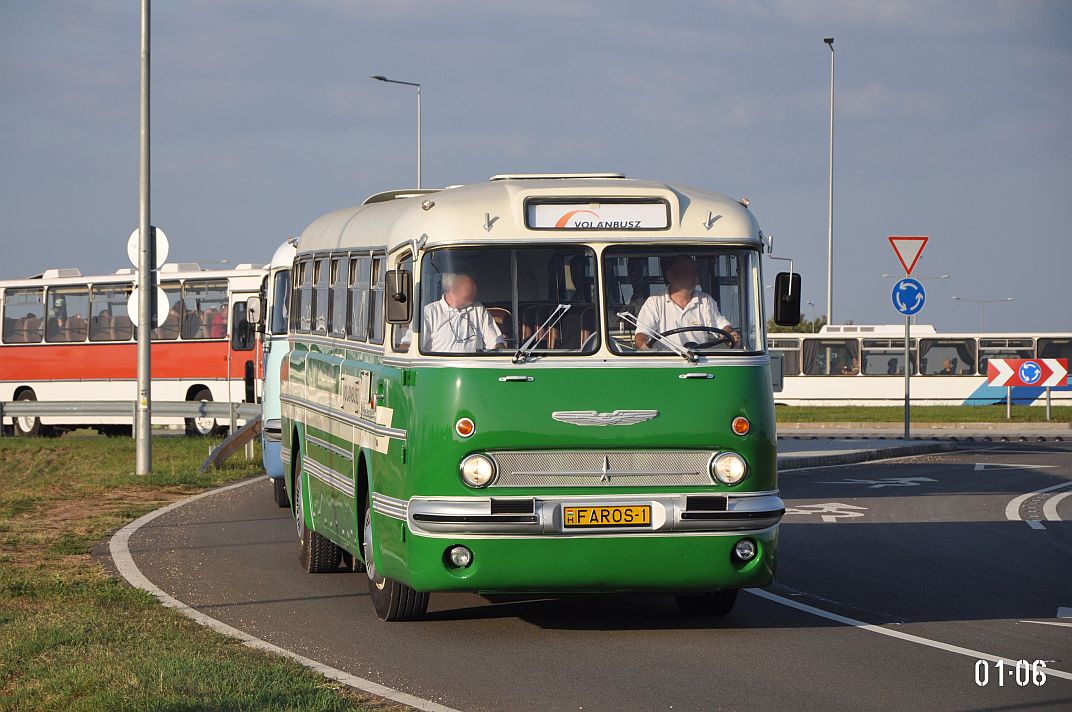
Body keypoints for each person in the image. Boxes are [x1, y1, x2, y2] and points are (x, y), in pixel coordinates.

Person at [634, 255, 739, 350]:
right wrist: (644, 345)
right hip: (665, 364)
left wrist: (729, 334)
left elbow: (720, 324)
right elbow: (642, 332)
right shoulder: (654, 302)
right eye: (688, 272)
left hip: (699, 362)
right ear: (671, 276)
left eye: (695, 272)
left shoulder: (705, 301)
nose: (694, 277)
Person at [412, 273, 504, 353]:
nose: (471, 301)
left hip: (474, 368)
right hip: (439, 369)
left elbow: (496, 342)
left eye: (472, 296)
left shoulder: (478, 310)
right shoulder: (428, 312)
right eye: (467, 296)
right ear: (452, 290)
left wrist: (499, 351)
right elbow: (409, 345)